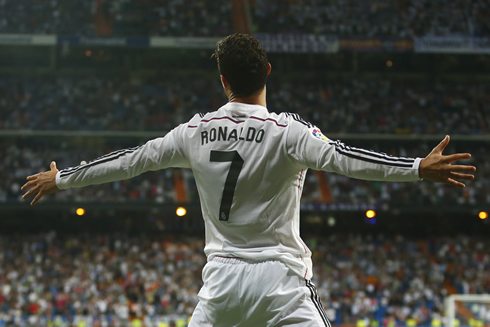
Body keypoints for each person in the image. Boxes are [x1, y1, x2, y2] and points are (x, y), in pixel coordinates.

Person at [21, 34, 476, 327]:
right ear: (268, 74)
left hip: (219, 287)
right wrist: (417, 167)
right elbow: (346, 159)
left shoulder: (192, 132)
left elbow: (129, 161)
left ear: (223, 82)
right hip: (281, 284)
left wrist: (63, 179)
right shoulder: (289, 133)